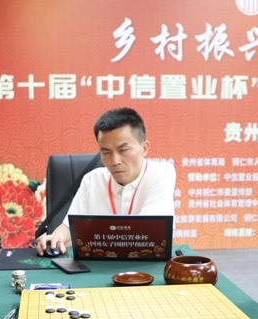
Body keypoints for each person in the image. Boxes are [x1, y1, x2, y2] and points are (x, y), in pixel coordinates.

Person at [35, 107, 175, 255]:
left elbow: (149, 232)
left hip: (144, 263)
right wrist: (56, 238)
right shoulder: (92, 180)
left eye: (123, 150)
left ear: (144, 148)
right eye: (106, 152)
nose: (115, 161)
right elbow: (69, 227)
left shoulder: (161, 173)